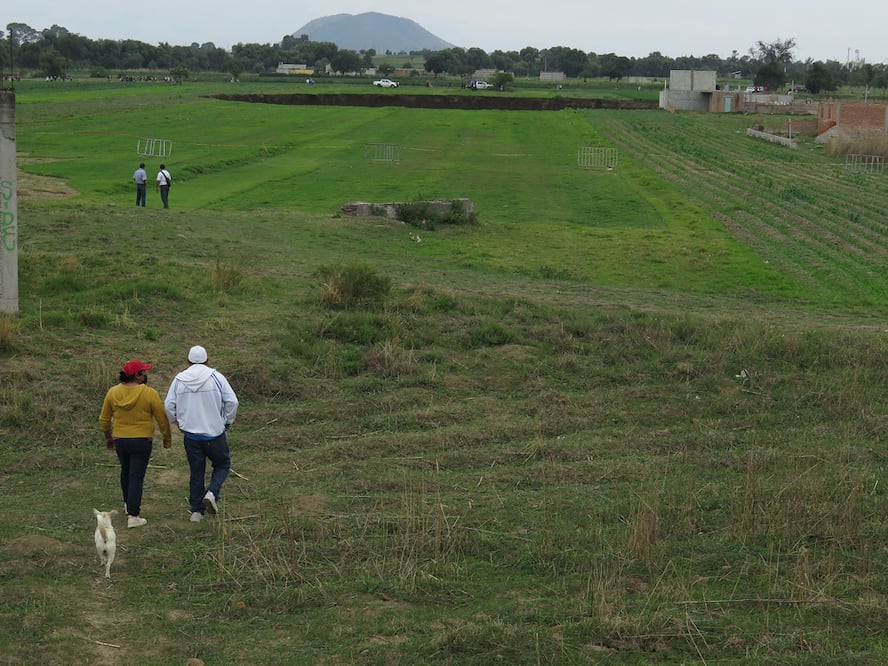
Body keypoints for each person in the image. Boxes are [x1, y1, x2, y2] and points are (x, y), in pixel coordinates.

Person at [164, 345, 239, 523]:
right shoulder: (216, 377)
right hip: (215, 434)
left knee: (196, 472)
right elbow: (232, 401)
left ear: (188, 361)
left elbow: (168, 405)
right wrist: (227, 421)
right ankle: (212, 492)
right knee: (222, 464)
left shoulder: (179, 380)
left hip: (191, 436)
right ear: (207, 360)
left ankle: (196, 512)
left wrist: (177, 423)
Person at [99, 359, 172, 528]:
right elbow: (161, 418)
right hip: (141, 441)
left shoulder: (113, 392)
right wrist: (167, 438)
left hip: (120, 440)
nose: (146, 375)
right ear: (136, 376)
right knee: (136, 476)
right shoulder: (149, 393)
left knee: (126, 471)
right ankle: (133, 516)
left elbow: (104, 419)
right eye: (143, 372)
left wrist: (108, 437)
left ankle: (127, 503)